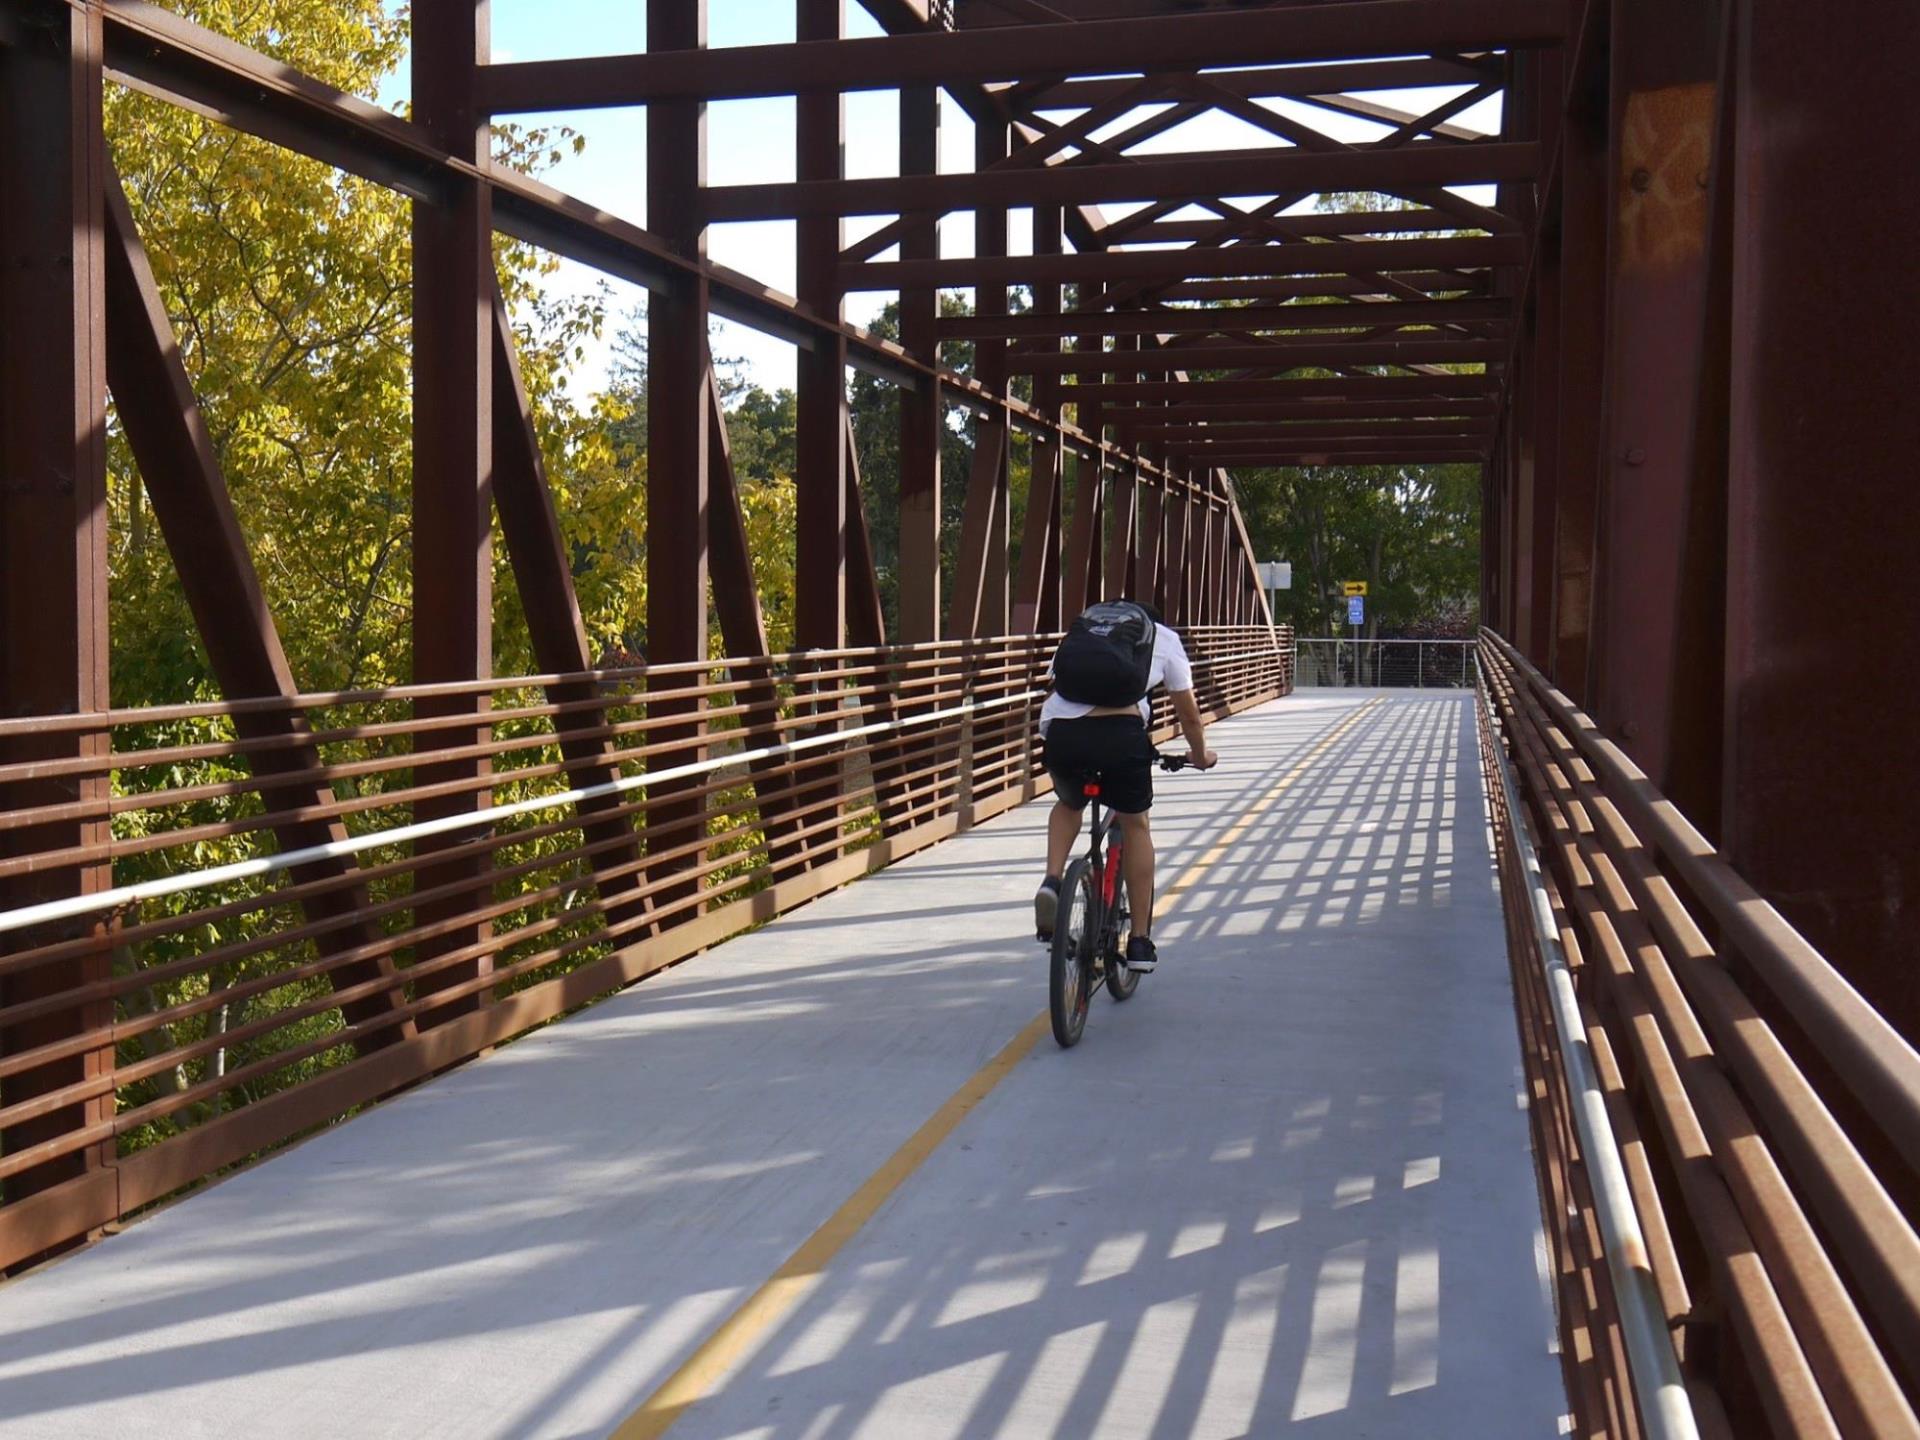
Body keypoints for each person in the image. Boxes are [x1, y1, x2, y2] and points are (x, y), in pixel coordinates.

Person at [1034, 600, 1218, 972]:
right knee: (1135, 825)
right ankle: (1137, 940)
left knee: (1070, 805)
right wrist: (1199, 756)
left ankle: (1052, 881)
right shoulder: (1163, 639)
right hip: (1120, 737)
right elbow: (1189, 715)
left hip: (1063, 736)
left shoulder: (1083, 634)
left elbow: (1055, 687)